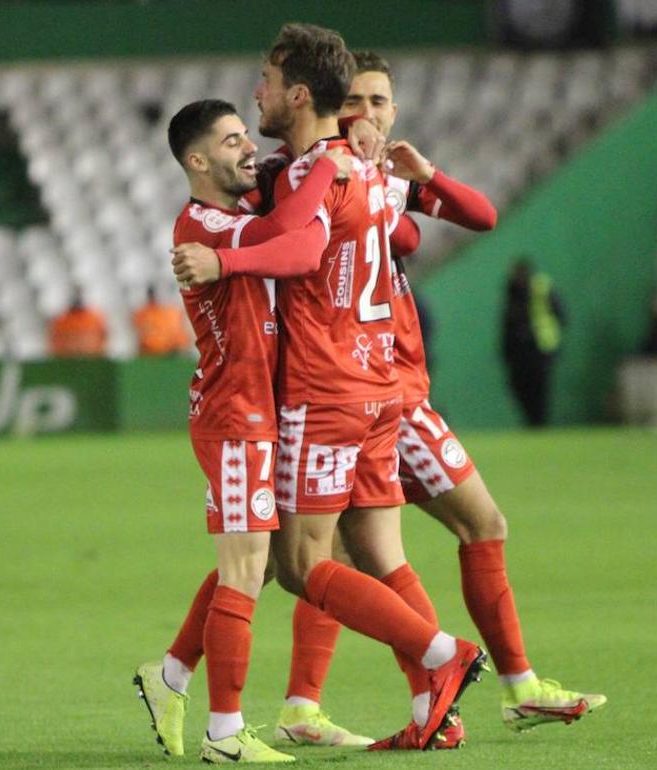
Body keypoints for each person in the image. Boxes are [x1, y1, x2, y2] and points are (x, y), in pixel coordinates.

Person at [253, 51, 604, 748]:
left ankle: (414, 687)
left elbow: (474, 214)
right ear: (330, 106)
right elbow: (394, 232)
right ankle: (472, 687)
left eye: (381, 101)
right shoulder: (325, 177)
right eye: (356, 101)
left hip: (363, 392)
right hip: (383, 393)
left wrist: (415, 179)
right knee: (353, 552)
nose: (369, 114)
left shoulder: (366, 178)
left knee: (318, 558)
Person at [255, 23, 486, 752]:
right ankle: (432, 708)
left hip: (326, 391)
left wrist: (225, 253)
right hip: (380, 387)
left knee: (299, 565)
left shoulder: (314, 173)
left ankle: (446, 656)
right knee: (379, 552)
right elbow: (415, 236)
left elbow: (291, 241)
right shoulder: (366, 177)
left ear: (298, 94)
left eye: (265, 80)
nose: (255, 92)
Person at [133, 97, 350, 764]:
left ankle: (169, 677)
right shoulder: (205, 225)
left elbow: (290, 230)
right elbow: (299, 243)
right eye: (230, 142)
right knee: (245, 566)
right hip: (235, 417)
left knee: (249, 568)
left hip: (261, 412)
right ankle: (225, 734)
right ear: (196, 162)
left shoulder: (234, 216)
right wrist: (329, 164)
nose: (245, 147)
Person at [502, 258, 566, 427]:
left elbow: (560, 314)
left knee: (539, 388)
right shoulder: (511, 291)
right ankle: (533, 422)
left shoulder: (541, 288)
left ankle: (539, 423)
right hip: (518, 351)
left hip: (540, 348)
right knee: (520, 386)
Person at [131, 286, 190, 356]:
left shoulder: (168, 311)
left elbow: (174, 332)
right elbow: (141, 330)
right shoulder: (143, 313)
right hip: (150, 348)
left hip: (167, 347)